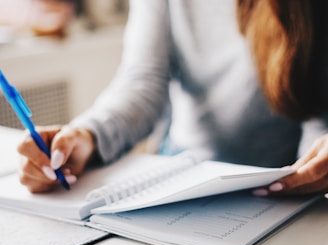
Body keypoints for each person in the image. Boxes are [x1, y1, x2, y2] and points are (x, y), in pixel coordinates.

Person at [17, 0, 328, 197]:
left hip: (284, 190)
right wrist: (86, 135)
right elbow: (143, 81)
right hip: (182, 179)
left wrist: (311, 178)